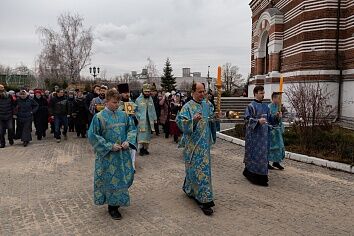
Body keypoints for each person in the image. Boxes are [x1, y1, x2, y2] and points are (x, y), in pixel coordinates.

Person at [88, 89, 137, 220]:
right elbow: (93, 136)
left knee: (124, 178)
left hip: (122, 155)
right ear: (107, 101)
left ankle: (118, 202)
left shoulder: (124, 115)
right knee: (110, 180)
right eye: (114, 102)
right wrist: (109, 146)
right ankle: (112, 207)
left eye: (118, 102)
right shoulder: (99, 117)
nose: (117, 105)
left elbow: (132, 128)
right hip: (108, 156)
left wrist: (128, 141)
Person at [176, 82, 216, 216]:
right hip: (193, 145)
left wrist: (216, 117)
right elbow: (180, 123)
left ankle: (204, 199)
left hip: (204, 145)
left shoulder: (207, 105)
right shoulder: (187, 107)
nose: (202, 94)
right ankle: (195, 193)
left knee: (203, 171)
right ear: (193, 92)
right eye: (199, 92)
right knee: (194, 170)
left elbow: (211, 118)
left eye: (204, 91)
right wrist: (193, 120)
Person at [243, 86, 281, 187]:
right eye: (261, 93)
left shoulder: (266, 107)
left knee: (263, 157)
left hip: (264, 138)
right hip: (254, 138)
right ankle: (252, 174)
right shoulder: (251, 106)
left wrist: (276, 116)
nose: (263, 94)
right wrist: (257, 121)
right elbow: (247, 120)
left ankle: (262, 176)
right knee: (255, 156)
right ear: (255, 93)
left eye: (263, 93)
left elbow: (270, 120)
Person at [118, 83, 139, 171]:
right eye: (124, 93)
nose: (127, 94)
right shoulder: (118, 104)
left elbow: (138, 114)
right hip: (121, 128)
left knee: (132, 146)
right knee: (122, 146)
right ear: (120, 94)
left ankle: (132, 165)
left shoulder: (132, 103)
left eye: (128, 92)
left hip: (132, 128)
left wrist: (134, 116)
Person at [135, 84, 157, 156]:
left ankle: (145, 148)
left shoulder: (151, 99)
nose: (147, 93)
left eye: (148, 91)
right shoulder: (138, 100)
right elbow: (135, 110)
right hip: (142, 121)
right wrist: (139, 116)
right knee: (141, 135)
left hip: (149, 121)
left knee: (147, 135)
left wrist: (154, 118)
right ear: (143, 91)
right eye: (146, 91)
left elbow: (153, 109)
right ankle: (141, 149)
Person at [268, 92, 285, 170]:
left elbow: (279, 120)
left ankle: (276, 162)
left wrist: (279, 117)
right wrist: (275, 116)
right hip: (271, 130)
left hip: (277, 130)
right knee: (271, 147)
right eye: (279, 98)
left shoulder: (279, 107)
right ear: (274, 98)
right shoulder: (269, 107)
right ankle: (267, 162)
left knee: (279, 146)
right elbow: (269, 119)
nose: (280, 100)